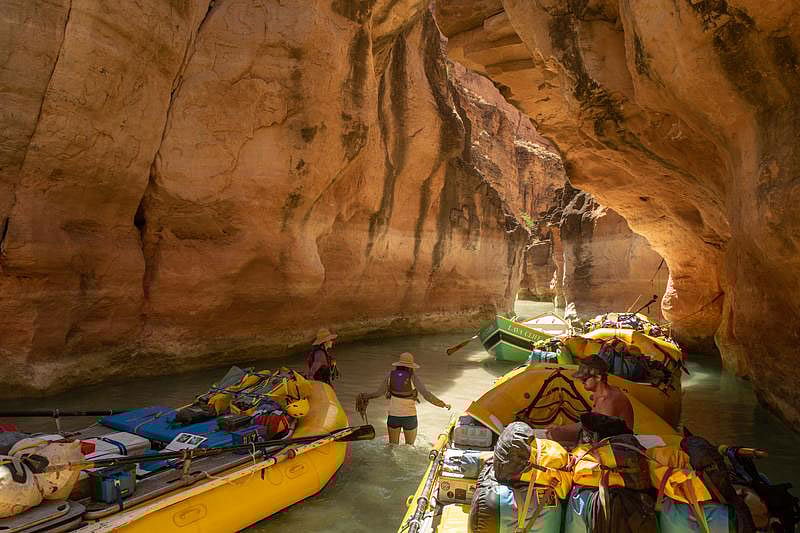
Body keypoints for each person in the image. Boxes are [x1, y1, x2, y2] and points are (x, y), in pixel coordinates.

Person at [361, 352, 450, 445]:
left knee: (392, 446)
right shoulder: (413, 377)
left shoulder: (390, 376)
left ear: (399, 364)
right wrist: (441, 404)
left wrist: (365, 396)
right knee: (409, 447)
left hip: (393, 417)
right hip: (409, 417)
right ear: (411, 366)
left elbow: (378, 393)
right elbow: (426, 394)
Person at [547, 355, 635, 444]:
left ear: (598, 377)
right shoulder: (601, 394)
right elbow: (590, 426)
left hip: (617, 446)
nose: (582, 382)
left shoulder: (607, 401)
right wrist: (561, 429)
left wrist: (562, 433)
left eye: (585, 379)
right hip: (609, 439)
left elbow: (601, 438)